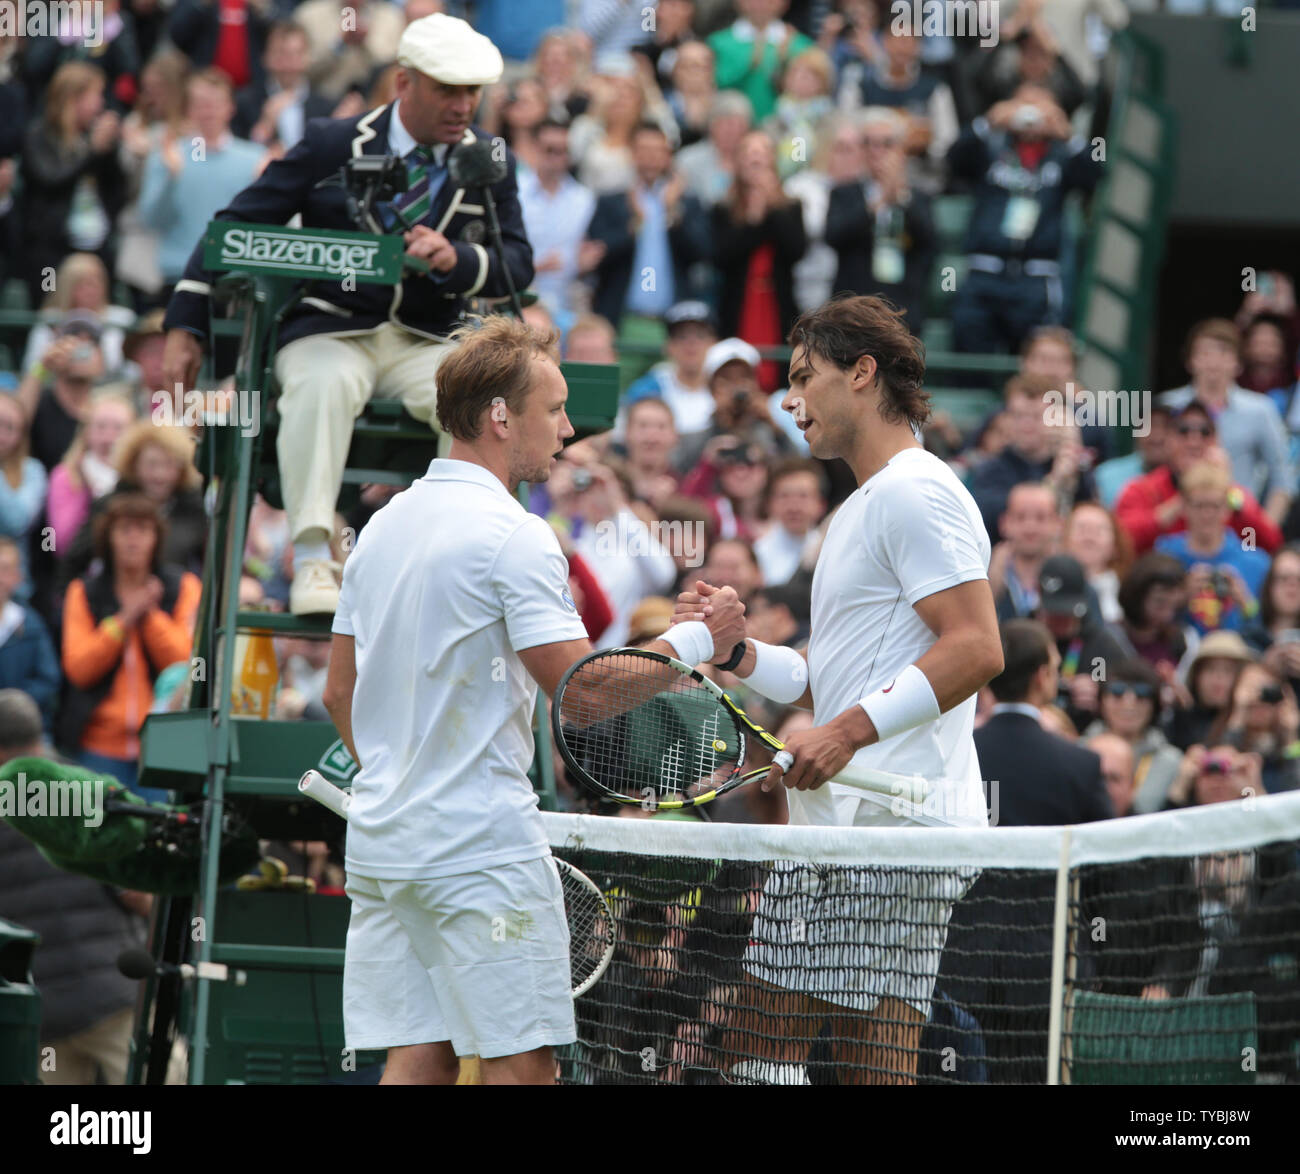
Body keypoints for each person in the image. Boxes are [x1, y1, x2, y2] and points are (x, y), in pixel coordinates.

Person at [321, 314, 744, 1086]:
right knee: (525, 1067)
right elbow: (582, 696)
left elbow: (337, 692)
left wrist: (398, 778)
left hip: (386, 843)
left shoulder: (379, 528)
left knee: (424, 1054)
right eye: (554, 409)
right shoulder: (516, 535)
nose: (569, 426)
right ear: (500, 416)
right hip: (475, 849)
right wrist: (695, 644)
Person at [677, 295, 1004, 1084]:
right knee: (871, 1061)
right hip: (886, 822)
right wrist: (741, 653)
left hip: (881, 825)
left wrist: (847, 733)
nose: (787, 400)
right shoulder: (863, 504)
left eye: (802, 377)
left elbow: (977, 647)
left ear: (862, 374)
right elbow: (833, 679)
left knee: (761, 1046)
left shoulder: (912, 491)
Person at [161, 13, 532, 616]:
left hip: (428, 341)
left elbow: (518, 262)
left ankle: (459, 567)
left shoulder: (488, 160)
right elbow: (234, 226)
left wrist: (458, 258)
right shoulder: (330, 144)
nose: (464, 105)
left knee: (482, 401)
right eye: (448, 89)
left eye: (473, 91)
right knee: (321, 381)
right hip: (332, 328)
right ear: (404, 83)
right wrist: (185, 319)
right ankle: (312, 557)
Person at [960, 619, 1110, 1083]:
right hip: (1049, 966)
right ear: (1044, 675)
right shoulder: (1079, 764)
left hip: (963, 963)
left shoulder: (959, 756)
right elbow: (1104, 868)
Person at [60, 493, 200, 799]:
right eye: (124, 530)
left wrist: (149, 615)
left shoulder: (184, 586)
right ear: (108, 537)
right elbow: (79, 669)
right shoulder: (82, 592)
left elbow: (185, 664)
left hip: (164, 747)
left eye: (143, 530)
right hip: (97, 747)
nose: (133, 540)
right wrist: (124, 618)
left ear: (157, 538)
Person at [947, 83, 1101, 355]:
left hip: (1036, 276)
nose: (1031, 116)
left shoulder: (1062, 155)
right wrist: (987, 122)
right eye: (1023, 105)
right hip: (985, 271)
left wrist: (1068, 134)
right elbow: (955, 159)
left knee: (1037, 360)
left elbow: (1095, 176)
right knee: (967, 341)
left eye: (1040, 107)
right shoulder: (992, 146)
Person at [137, 68, 268, 292]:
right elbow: (150, 221)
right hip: (179, 274)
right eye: (201, 103)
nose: (209, 111)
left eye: (216, 103)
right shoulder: (169, 155)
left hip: (235, 277)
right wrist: (172, 178)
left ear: (231, 108)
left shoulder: (256, 159)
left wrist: (264, 189)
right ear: (188, 109)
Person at [1158, 319, 1293, 519]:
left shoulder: (1261, 409)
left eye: (1223, 353)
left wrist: (1263, 532)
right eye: (1205, 353)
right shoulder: (1167, 406)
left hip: (1237, 521)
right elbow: (1148, 465)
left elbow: (1282, 477)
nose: (1213, 362)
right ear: (1189, 361)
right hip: (1174, 521)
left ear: (1238, 364)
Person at [1114, 400, 1282, 556]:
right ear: (1168, 440)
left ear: (1216, 441)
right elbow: (1121, 543)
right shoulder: (1142, 489)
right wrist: (1182, 502)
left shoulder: (1233, 495)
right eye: (1183, 431)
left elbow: (1265, 545)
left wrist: (1226, 489)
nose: (1194, 442)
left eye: (1205, 432)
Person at [19, 63, 125, 308]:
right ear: (73, 98)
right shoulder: (39, 135)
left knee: (95, 314)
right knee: (48, 311)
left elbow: (117, 192)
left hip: (95, 246)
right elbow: (50, 180)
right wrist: (93, 151)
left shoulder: (94, 139)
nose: (100, 104)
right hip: (50, 252)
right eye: (95, 96)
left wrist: (110, 149)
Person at [711, 130, 807, 390]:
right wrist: (753, 218)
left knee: (777, 368)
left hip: (776, 303)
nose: (755, 160)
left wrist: (772, 207)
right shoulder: (724, 209)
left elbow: (796, 250)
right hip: (740, 302)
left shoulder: (790, 207)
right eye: (749, 154)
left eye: (761, 154)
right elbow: (722, 257)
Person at [825, 106, 935, 332]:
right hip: (852, 308)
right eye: (869, 143)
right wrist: (876, 205)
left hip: (902, 308)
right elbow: (834, 236)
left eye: (886, 143)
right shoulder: (845, 193)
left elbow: (931, 242)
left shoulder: (918, 197)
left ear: (901, 150)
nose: (877, 151)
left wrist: (901, 199)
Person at [968, 375, 1096, 544]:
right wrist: (1055, 479)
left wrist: (1072, 447)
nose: (1026, 424)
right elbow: (991, 520)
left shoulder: (1076, 470)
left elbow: (1091, 513)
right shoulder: (990, 471)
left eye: (1037, 416)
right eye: (1018, 416)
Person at [1153, 461, 1271, 636]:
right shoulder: (1164, 555)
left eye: (1215, 506)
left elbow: (1272, 626)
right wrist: (1181, 597)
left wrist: (1244, 602)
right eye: (1199, 506)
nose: (1207, 515)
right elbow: (1149, 622)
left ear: (1227, 509)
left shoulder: (1256, 562)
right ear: (1184, 507)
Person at [1031, 552, 1128, 733]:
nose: (1061, 619)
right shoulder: (1023, 638)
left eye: (1068, 612)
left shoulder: (1102, 643)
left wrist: (1100, 694)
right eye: (1054, 612)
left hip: (1085, 734)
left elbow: (1128, 687)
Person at [517, 119, 597, 324]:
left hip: (566, 305)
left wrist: (585, 262)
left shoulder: (584, 199)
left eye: (563, 151)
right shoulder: (514, 192)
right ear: (535, 149)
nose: (556, 158)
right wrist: (534, 268)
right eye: (549, 150)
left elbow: (587, 251)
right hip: (517, 302)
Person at [1081, 658, 1184, 816]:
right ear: (1101, 700)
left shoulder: (1172, 762)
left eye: (1142, 694)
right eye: (1117, 691)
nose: (1129, 702)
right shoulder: (1080, 750)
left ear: (1154, 705)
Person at [231, 20, 336, 149]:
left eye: (296, 54)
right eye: (281, 53)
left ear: (308, 57)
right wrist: (265, 125)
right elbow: (234, 156)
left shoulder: (327, 108)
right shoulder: (244, 103)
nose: (288, 63)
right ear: (266, 57)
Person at [708, 0, 814, 124]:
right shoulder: (717, 43)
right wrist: (748, 64)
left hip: (784, 128)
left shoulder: (800, 45)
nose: (760, 3)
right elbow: (711, 87)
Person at [0, 538, 60, 732]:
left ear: (18, 577)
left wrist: (12, 706)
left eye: (6, 569)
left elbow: (48, 679)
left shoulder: (32, 625)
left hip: (21, 729)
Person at [1165, 630, 1256, 753]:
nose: (1218, 678)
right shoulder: (1179, 716)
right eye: (1210, 669)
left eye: (1228, 671)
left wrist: (1238, 714)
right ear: (1196, 676)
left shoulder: (1253, 716)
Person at [753, 458, 827, 587]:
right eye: (784, 496)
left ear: (820, 504)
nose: (794, 507)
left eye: (803, 496)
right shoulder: (757, 554)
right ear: (769, 503)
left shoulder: (829, 551)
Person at [1063, 501, 1131, 624]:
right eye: (1081, 528)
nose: (1089, 535)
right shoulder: (1048, 585)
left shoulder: (1127, 595)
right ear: (1065, 540)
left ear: (1115, 545)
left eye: (1099, 529)